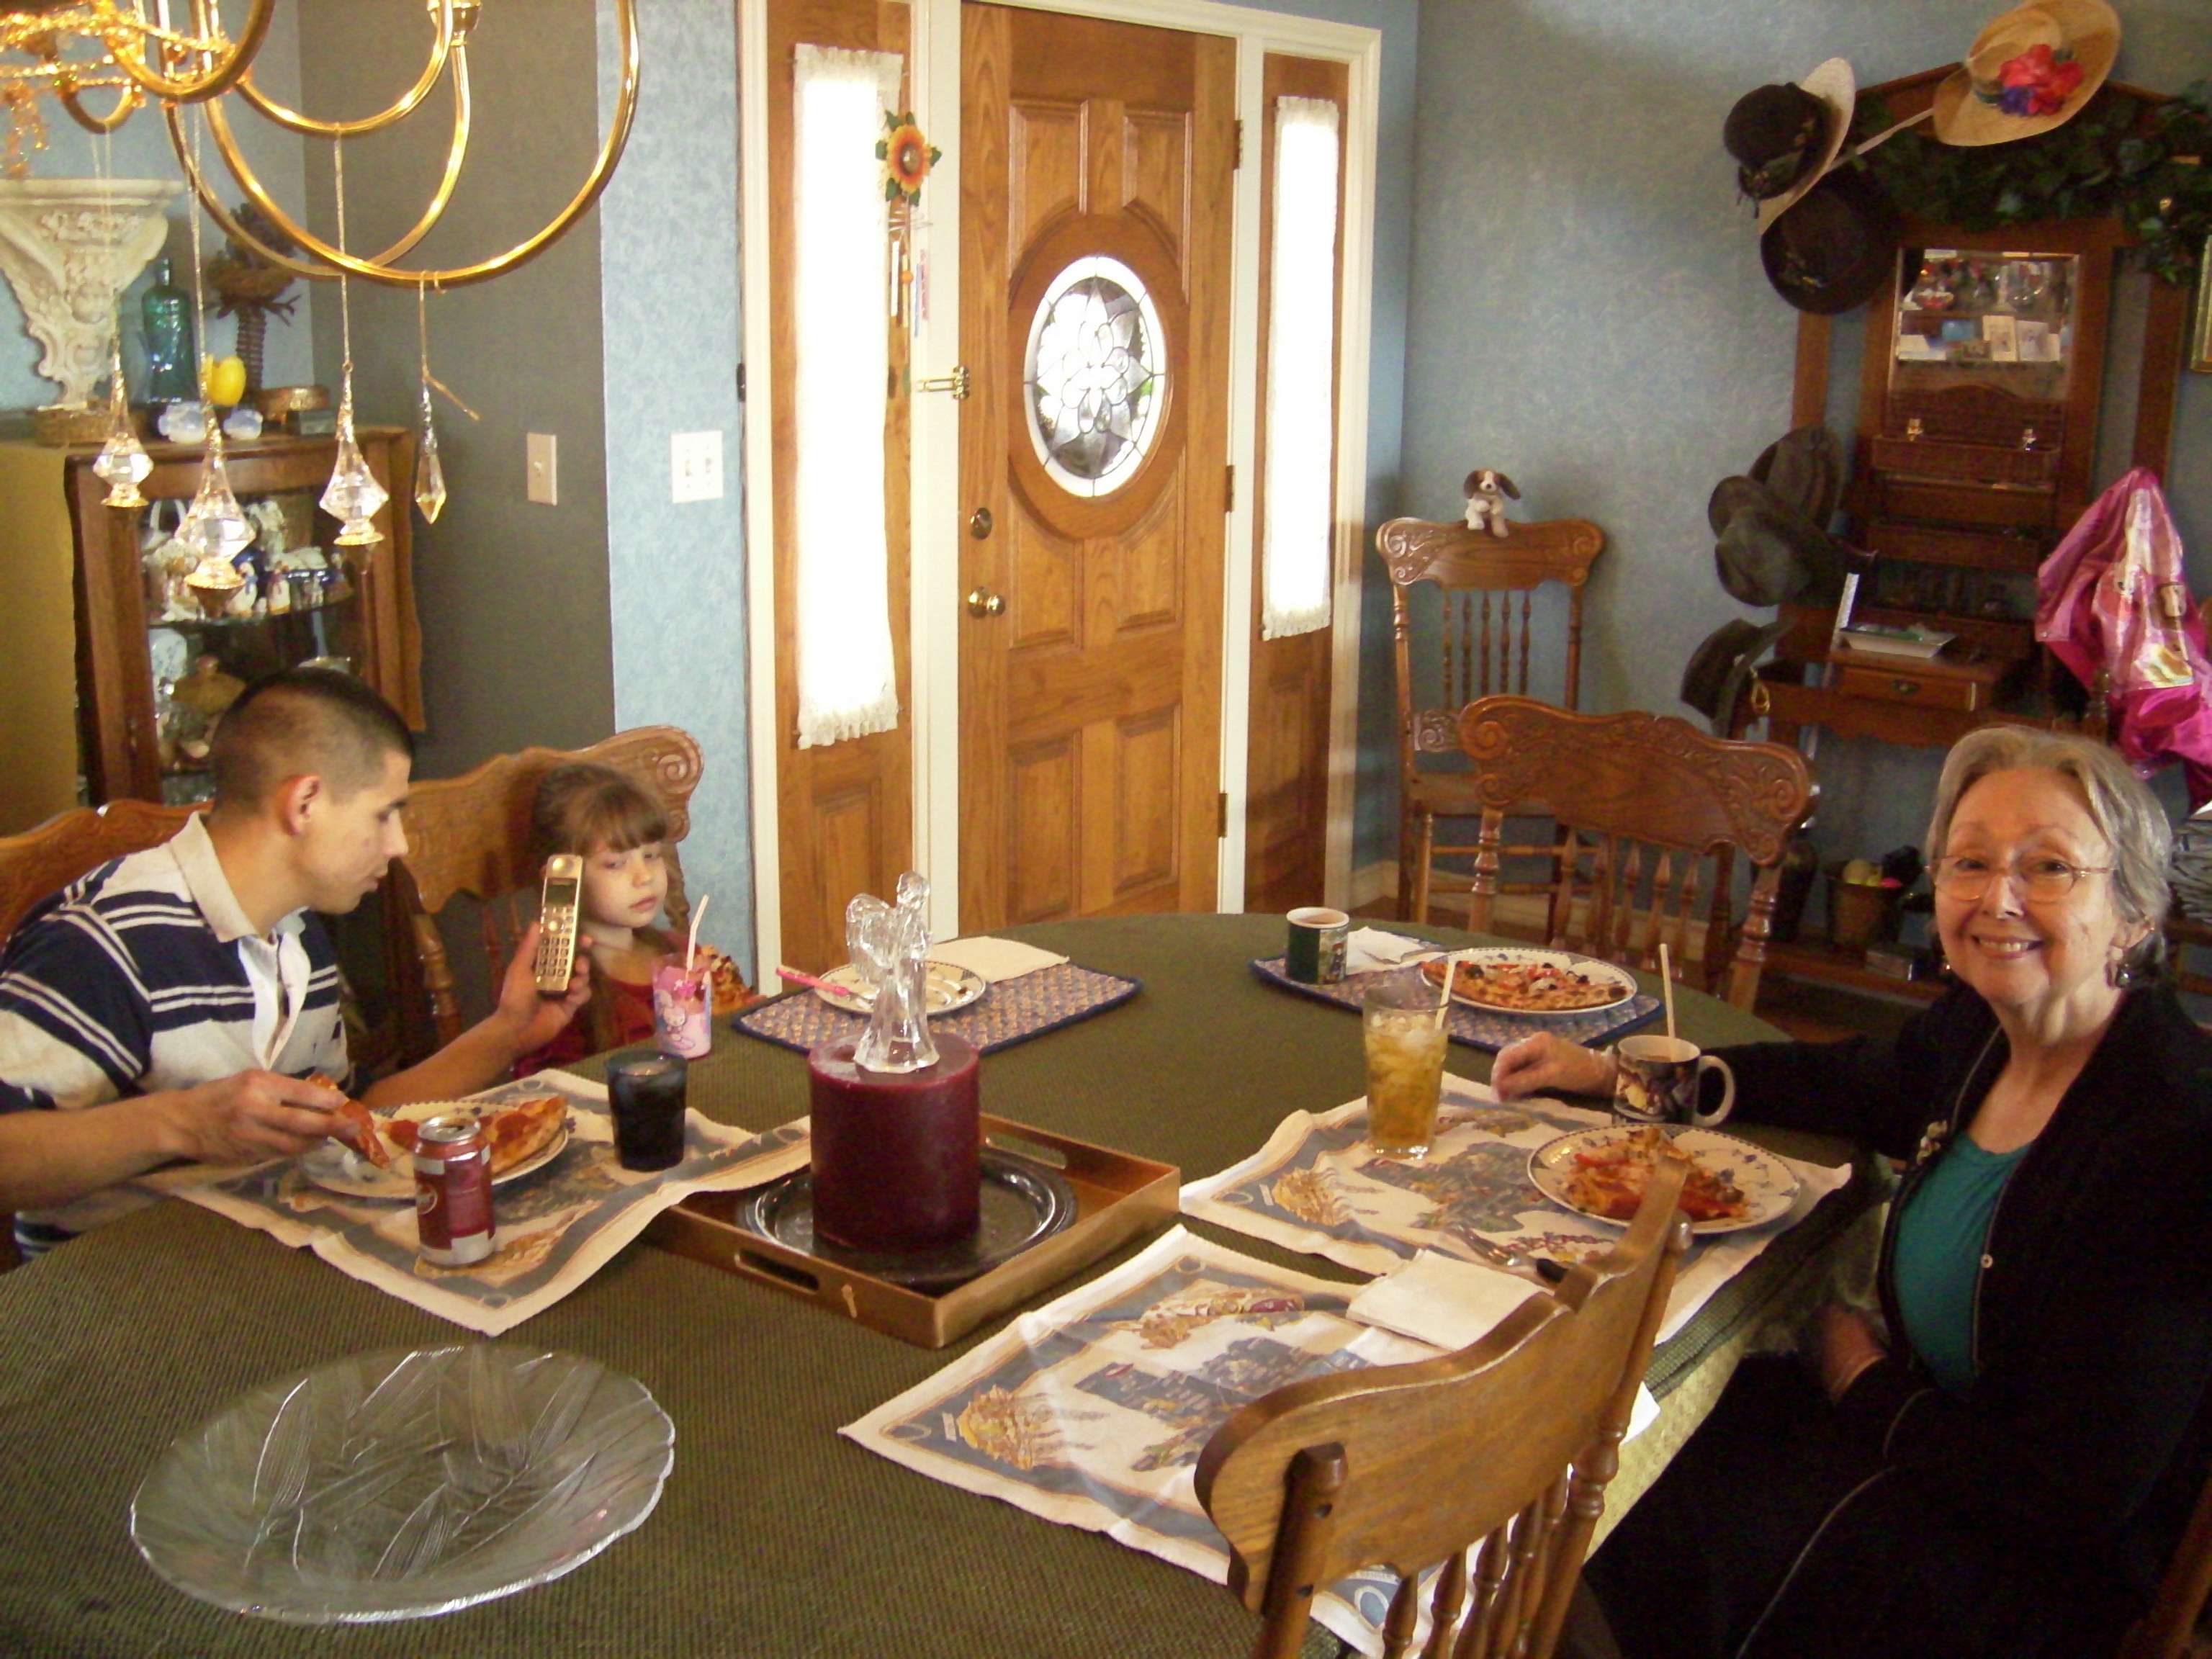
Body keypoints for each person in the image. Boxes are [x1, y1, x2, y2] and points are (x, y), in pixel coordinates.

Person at [1492, 727, 2212, 1659]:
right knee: (1626, 1430)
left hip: (2032, 1567)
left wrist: (1858, 1378)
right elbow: (1844, 1083)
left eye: (2050, 868)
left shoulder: (2171, 1139)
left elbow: (2067, 1498)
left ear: (2135, 914)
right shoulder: (1982, 1033)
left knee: (1644, 1507)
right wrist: (1621, 1077)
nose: (1998, 898)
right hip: (1929, 1437)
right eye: (1971, 861)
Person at [0, 667, 590, 1256]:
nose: (399, 845)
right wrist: (182, 1123)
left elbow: (351, 1116)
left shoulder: (297, 932)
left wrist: (509, 1030)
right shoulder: (103, 938)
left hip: (267, 1252)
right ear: (305, 802)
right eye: (384, 813)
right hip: (122, 1282)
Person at [511, 762, 752, 1077]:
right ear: (563, 878)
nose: (644, 877)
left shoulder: (682, 955)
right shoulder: (562, 989)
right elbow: (549, 1088)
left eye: (650, 855)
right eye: (615, 864)